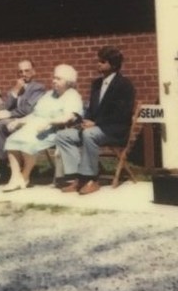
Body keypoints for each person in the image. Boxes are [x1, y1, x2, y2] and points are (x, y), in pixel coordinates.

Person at [57, 46, 136, 196]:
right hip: (95, 128)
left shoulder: (124, 85)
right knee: (63, 136)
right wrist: (84, 119)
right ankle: (77, 177)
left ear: (113, 65)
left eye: (102, 61)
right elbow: (92, 110)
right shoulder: (96, 84)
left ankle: (90, 179)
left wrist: (97, 123)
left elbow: (123, 114)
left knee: (89, 135)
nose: (98, 64)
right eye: (98, 61)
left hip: (115, 130)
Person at [1, 64, 83, 193]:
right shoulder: (49, 94)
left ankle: (25, 175)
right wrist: (19, 121)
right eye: (54, 78)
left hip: (56, 130)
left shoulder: (72, 95)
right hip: (35, 125)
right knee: (12, 140)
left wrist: (49, 122)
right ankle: (15, 177)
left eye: (58, 79)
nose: (54, 81)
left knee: (28, 143)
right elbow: (35, 114)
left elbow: (69, 117)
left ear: (68, 81)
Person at [0, 59, 46, 185]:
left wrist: (10, 114)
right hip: (10, 120)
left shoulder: (38, 88)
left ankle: (2, 167)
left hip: (25, 121)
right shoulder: (17, 88)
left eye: (27, 71)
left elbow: (28, 109)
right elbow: (5, 106)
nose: (23, 74)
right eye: (20, 71)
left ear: (33, 72)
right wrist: (15, 91)